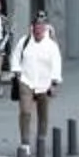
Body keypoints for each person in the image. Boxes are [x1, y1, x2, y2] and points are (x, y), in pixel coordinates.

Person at [14, 10, 63, 145]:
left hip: (45, 83)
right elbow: (16, 57)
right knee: (25, 111)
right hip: (26, 80)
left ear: (46, 28)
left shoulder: (51, 45)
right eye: (36, 26)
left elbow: (56, 64)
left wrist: (54, 83)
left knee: (43, 113)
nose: (38, 29)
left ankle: (41, 139)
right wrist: (18, 73)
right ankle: (25, 142)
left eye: (42, 26)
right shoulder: (24, 41)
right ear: (32, 27)